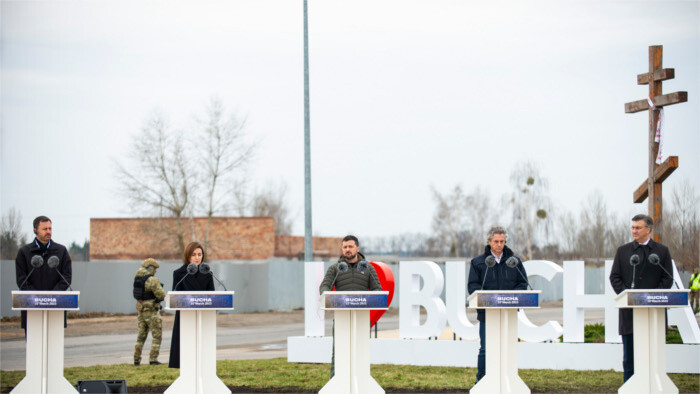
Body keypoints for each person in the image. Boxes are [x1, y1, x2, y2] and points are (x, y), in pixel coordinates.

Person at [609, 214, 673, 383]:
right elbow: (614, 277)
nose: (634, 231)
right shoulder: (623, 251)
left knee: (653, 358)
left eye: (638, 228)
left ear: (648, 229)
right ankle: (629, 387)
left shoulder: (662, 251)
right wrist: (629, 297)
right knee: (629, 359)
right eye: (633, 227)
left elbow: (667, 279)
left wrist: (652, 298)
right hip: (630, 314)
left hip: (654, 315)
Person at [467, 226, 528, 383]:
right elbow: (473, 286)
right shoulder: (479, 263)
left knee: (508, 348)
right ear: (489, 241)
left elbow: (523, 283)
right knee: (486, 349)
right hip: (487, 314)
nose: (499, 244)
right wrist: (486, 298)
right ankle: (481, 381)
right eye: (496, 241)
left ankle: (507, 380)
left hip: (509, 313)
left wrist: (513, 296)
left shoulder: (514, 262)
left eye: (502, 241)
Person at [319, 235, 382, 378]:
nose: (347, 250)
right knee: (338, 352)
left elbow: (377, 290)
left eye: (350, 247)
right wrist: (327, 296)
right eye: (345, 247)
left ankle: (361, 382)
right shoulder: (335, 269)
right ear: (342, 249)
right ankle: (334, 384)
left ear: (357, 249)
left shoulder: (368, 269)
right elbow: (324, 286)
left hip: (361, 319)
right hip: (341, 319)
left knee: (361, 351)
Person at [15, 216, 72, 334]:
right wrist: (38, 298)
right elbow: (21, 280)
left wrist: (51, 297)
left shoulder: (61, 251)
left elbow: (66, 277)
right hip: (32, 309)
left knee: (54, 348)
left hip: (56, 307)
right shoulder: (24, 252)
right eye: (44, 229)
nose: (48, 232)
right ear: (35, 230)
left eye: (50, 228)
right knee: (34, 347)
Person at [168, 241, 214, 368]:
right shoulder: (179, 273)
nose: (197, 257)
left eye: (200, 254)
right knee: (185, 348)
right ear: (188, 256)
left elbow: (212, 296)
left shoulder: (208, 274)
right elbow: (175, 296)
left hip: (203, 317)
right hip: (185, 317)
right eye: (194, 254)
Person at [133, 258, 165, 366]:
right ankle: (153, 359)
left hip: (141, 312)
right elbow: (161, 295)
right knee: (157, 336)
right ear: (151, 268)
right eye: (155, 268)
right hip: (152, 312)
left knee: (140, 338)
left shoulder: (137, 279)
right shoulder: (152, 280)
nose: (156, 271)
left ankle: (136, 360)